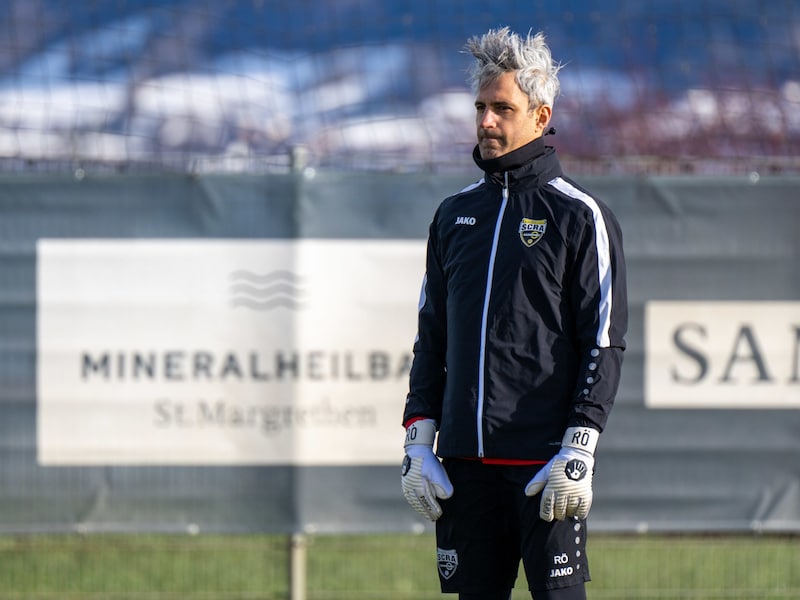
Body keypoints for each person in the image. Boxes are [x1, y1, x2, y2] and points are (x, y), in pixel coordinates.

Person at [400, 27, 628, 600]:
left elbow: (603, 340)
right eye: (480, 107)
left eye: (502, 108)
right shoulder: (453, 216)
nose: (486, 122)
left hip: (543, 468)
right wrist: (417, 442)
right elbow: (431, 340)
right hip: (463, 469)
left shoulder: (581, 216)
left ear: (541, 114)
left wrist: (580, 446)